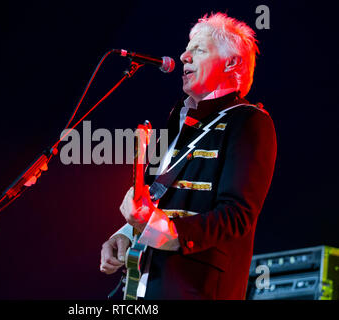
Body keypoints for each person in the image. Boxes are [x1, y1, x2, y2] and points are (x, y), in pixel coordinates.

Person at [100, 12, 277, 300]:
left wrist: (157, 227)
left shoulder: (250, 121)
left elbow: (236, 216)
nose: (183, 56)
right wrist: (124, 235)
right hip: (141, 287)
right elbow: (154, 202)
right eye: (187, 48)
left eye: (198, 49)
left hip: (196, 289)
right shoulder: (177, 119)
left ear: (231, 62)